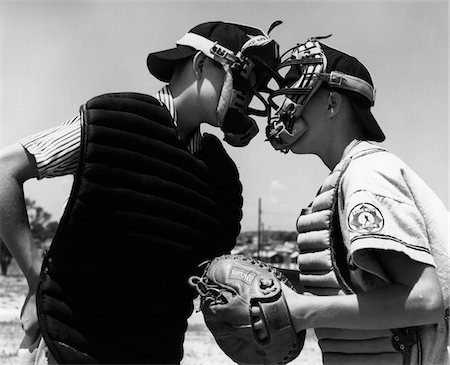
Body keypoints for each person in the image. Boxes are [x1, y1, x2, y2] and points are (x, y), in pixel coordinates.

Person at [0, 21, 280, 364]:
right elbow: (4, 170)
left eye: (254, 86)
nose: (246, 93)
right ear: (201, 63)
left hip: (154, 352)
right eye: (242, 75)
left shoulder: (220, 177)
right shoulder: (117, 121)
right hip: (68, 345)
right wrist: (34, 275)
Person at [265, 38, 449, 364]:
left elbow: (424, 299)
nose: (284, 109)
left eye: (296, 96)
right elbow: (354, 288)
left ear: (333, 104)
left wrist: (302, 311)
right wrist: (271, 283)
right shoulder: (351, 172)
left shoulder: (367, 173)